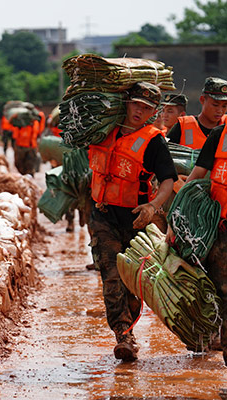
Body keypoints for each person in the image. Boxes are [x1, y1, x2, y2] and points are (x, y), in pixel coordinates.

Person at [88, 81, 177, 362]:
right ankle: (123, 334)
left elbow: (168, 181)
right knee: (111, 276)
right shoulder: (102, 130)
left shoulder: (154, 140)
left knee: (132, 281)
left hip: (136, 219)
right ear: (126, 102)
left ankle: (130, 325)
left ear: (153, 112)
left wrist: (153, 207)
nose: (140, 111)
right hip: (103, 215)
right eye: (137, 104)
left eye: (147, 108)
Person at [179, 81, 227, 365]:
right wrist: (176, 218)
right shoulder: (221, 134)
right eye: (217, 104)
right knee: (223, 293)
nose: (221, 110)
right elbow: (197, 175)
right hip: (220, 230)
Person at [167, 77, 227, 149]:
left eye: (224, 106)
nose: (220, 111)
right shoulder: (183, 126)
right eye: (215, 105)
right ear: (202, 100)